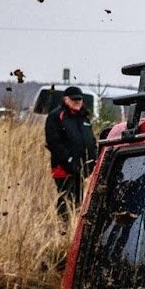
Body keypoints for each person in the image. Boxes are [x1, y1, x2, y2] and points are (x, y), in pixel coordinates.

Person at [45, 86, 97, 214]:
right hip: (63, 168)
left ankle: (75, 227)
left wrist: (93, 158)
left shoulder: (84, 116)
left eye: (79, 99)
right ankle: (64, 228)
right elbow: (54, 143)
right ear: (65, 99)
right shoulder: (56, 116)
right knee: (65, 199)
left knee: (78, 201)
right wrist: (69, 161)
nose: (77, 102)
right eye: (74, 99)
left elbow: (90, 139)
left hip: (82, 167)